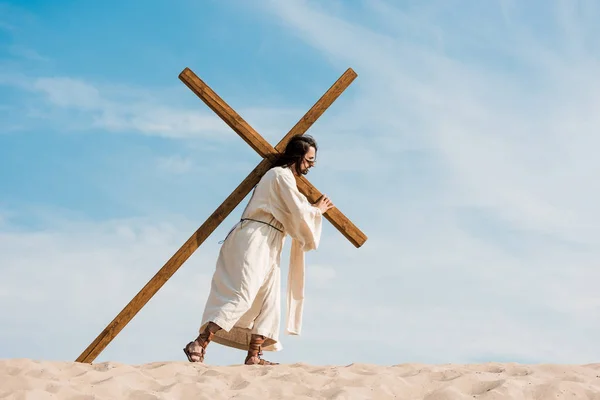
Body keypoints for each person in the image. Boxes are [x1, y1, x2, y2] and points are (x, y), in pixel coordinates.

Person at [183, 135, 334, 365]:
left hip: (271, 242)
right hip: (254, 239)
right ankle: (199, 342)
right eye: (309, 160)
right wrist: (316, 211)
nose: (312, 165)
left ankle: (254, 355)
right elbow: (297, 211)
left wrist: (310, 210)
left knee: (270, 300)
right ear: (298, 156)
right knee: (244, 293)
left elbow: (294, 209)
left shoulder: (287, 180)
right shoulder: (279, 176)